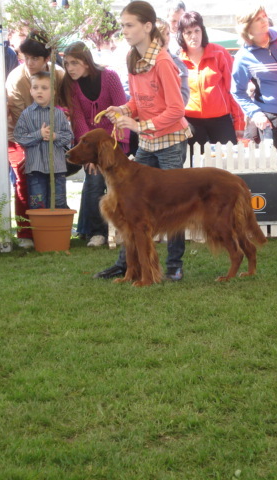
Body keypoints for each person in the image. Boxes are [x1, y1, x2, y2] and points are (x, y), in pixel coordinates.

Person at [93, 0, 192, 282]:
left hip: (171, 142)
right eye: (123, 25)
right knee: (130, 204)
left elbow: (177, 109)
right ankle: (126, 265)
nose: (124, 30)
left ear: (147, 27)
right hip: (148, 143)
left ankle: (174, 265)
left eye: (129, 25)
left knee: (174, 205)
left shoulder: (164, 61)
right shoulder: (132, 57)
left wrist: (139, 126)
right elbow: (138, 102)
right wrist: (123, 110)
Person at [59, 41, 129, 247]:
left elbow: (121, 111)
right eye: (66, 63)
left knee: (117, 184)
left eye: (74, 63)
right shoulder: (71, 85)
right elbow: (78, 119)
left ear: (86, 61)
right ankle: (95, 232)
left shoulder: (110, 77)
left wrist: (111, 147)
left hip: (115, 141)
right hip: (90, 145)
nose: (70, 68)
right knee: (94, 179)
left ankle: (117, 229)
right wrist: (90, 154)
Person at [6, 30, 65, 247]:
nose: (29, 63)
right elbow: (19, 119)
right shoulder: (16, 79)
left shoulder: (58, 75)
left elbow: (64, 107)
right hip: (19, 137)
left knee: (54, 178)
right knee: (24, 176)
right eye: (26, 57)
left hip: (52, 136)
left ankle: (53, 225)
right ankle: (25, 232)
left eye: (35, 58)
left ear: (47, 58)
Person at [231, 5, 277, 151]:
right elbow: (237, 91)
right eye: (258, 19)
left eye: (264, 16)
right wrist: (255, 113)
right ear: (247, 27)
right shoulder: (243, 57)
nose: (264, 20)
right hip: (273, 117)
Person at [177, 11, 244, 150]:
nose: (194, 36)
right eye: (188, 32)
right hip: (191, 123)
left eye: (197, 30)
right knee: (194, 163)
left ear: (203, 31)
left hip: (221, 121)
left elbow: (233, 89)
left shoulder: (220, 53)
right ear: (181, 35)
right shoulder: (177, 60)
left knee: (228, 161)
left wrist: (239, 123)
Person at [14, 71, 73, 210]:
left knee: (58, 203)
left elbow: (68, 136)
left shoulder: (58, 114)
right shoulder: (26, 114)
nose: (39, 91)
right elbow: (19, 137)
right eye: (35, 87)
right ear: (31, 91)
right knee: (37, 204)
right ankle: (40, 225)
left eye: (44, 88)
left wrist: (55, 137)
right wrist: (38, 134)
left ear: (53, 92)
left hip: (57, 169)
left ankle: (58, 224)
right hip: (35, 169)